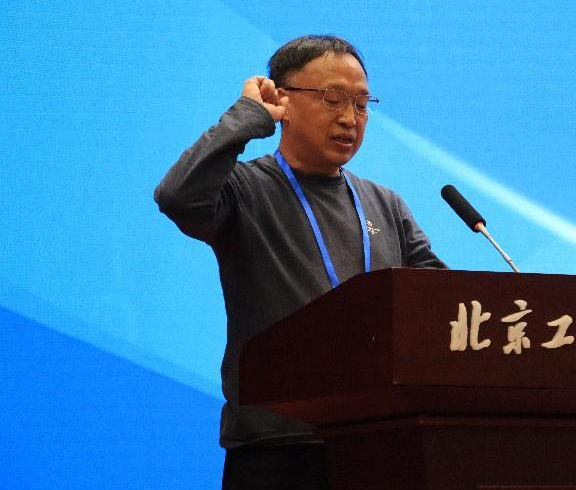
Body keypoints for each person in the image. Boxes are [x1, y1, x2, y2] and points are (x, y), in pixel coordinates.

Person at [154, 35, 446, 489]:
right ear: (283, 100)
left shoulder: (384, 204)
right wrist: (247, 117)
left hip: (379, 442)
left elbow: (440, 302)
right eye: (333, 98)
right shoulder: (245, 189)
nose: (349, 118)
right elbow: (177, 197)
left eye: (362, 104)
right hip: (277, 448)